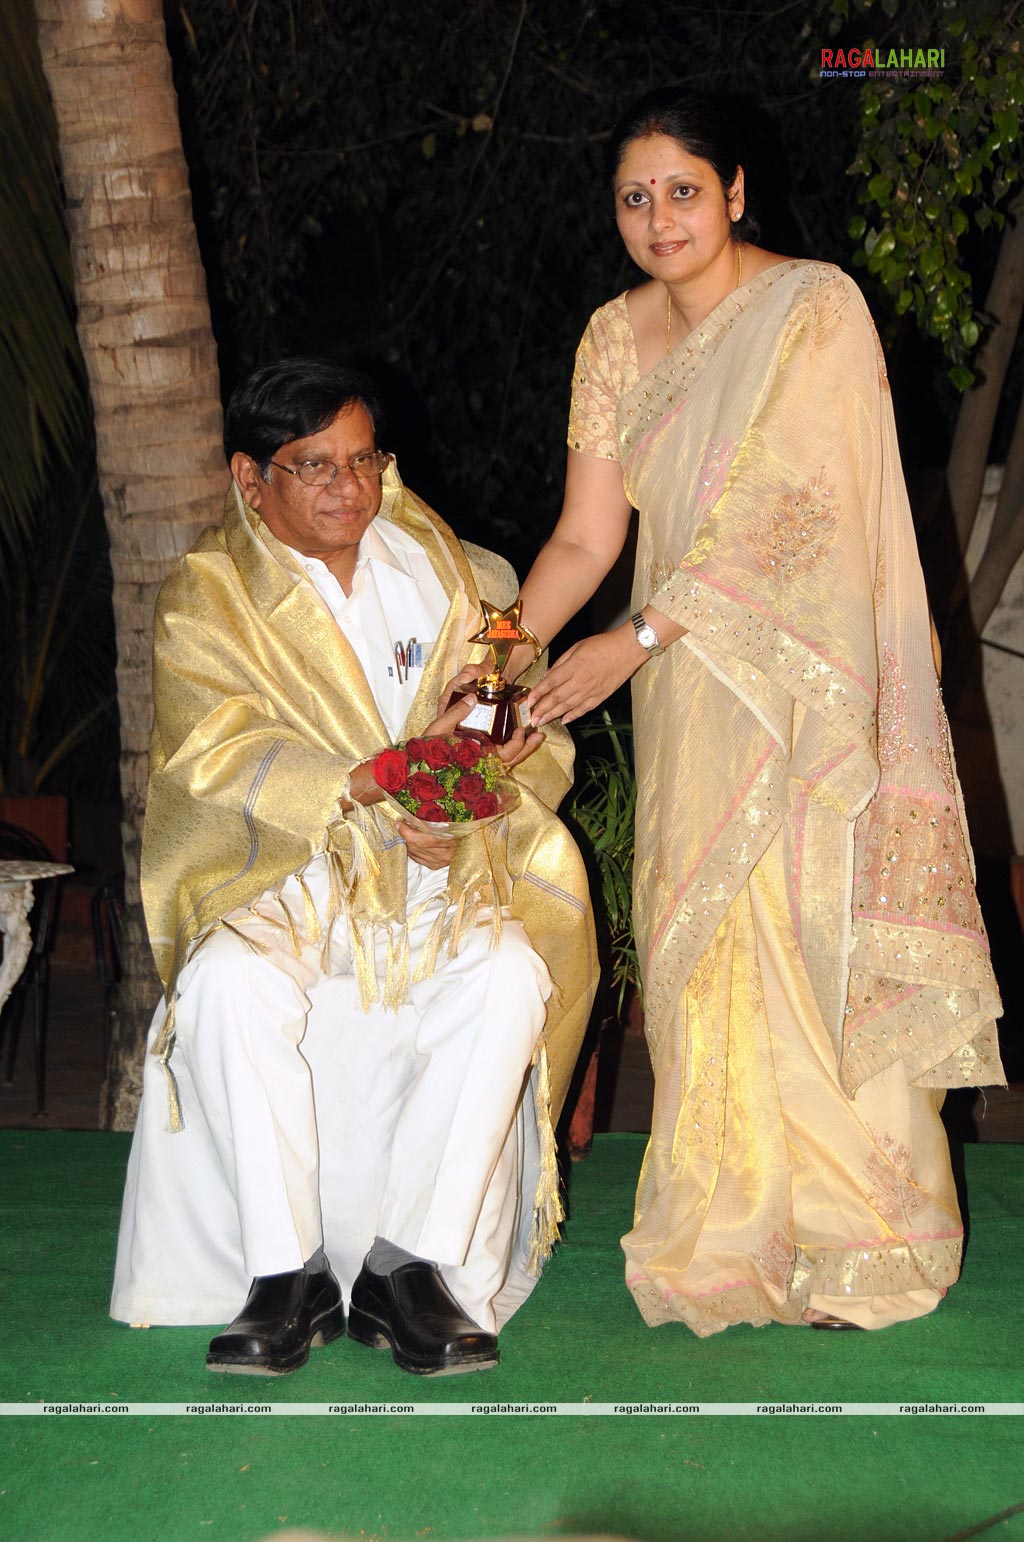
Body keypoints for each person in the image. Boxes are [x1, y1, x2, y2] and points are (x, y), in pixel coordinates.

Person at [510, 89, 1004, 1334]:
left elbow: (798, 514)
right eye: (635, 196)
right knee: (699, 939)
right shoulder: (612, 340)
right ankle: (728, 1233)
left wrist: (635, 635)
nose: (659, 217)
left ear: (735, 192)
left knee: (804, 923)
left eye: (684, 190)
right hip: (684, 690)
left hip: (805, 680)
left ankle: (862, 1236)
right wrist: (505, 652)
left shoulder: (811, 308)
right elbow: (586, 533)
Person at [111, 357, 597, 1375]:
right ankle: (282, 1279)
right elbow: (213, 750)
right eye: (315, 466)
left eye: (365, 459)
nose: (351, 489)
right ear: (251, 480)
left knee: (509, 975)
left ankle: (406, 1269)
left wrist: (471, 801)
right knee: (235, 986)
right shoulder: (208, 596)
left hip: (437, 868)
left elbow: (535, 733)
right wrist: (373, 780)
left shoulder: (463, 577)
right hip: (286, 865)